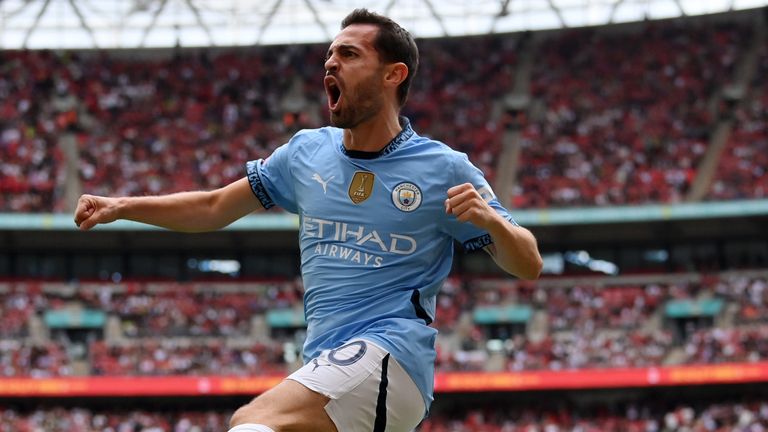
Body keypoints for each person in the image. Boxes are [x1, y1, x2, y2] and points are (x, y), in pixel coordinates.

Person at [74, 8, 543, 432]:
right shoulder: (305, 153)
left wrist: (494, 222)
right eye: (330, 54)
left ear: (393, 75)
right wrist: (123, 206)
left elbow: (528, 264)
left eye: (350, 53)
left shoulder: (444, 168)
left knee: (254, 422)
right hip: (326, 359)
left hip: (391, 356)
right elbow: (215, 207)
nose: (331, 63)